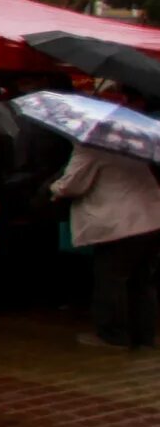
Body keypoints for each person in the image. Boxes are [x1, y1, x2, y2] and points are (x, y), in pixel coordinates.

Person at [56, 129, 160, 350]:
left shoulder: (90, 146)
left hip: (118, 224)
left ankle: (113, 335)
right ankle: (144, 336)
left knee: (111, 279)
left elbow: (71, 184)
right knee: (143, 281)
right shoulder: (131, 139)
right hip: (152, 218)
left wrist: (53, 188)